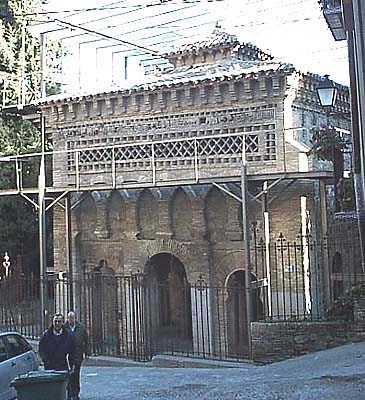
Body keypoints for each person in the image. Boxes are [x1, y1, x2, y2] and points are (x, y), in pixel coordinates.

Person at [65, 311, 89, 400]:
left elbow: (86, 340)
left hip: (77, 355)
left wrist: (87, 353)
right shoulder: (64, 327)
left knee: (76, 374)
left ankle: (75, 393)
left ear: (75, 318)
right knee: (68, 375)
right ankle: (69, 393)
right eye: (69, 318)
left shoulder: (81, 328)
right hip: (67, 355)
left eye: (72, 318)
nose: (70, 319)